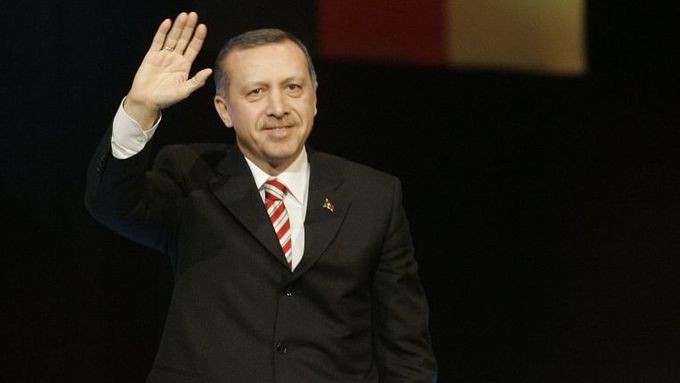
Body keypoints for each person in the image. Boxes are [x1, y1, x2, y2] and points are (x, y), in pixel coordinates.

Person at [86, 11, 437, 383]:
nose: (278, 108)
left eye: (293, 88)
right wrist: (141, 108)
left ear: (314, 99)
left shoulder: (374, 195)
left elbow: (406, 349)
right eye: (256, 91)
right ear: (224, 110)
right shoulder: (191, 175)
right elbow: (112, 203)